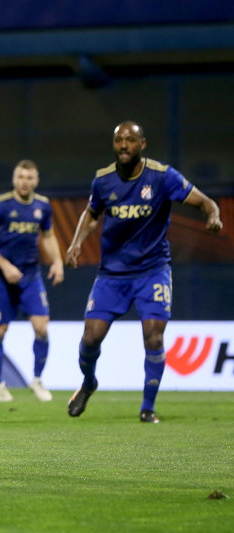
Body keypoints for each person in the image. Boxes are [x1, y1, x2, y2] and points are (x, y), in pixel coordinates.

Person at [65, 120, 222, 423]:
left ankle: (147, 407)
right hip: (112, 274)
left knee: (153, 336)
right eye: (118, 140)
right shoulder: (103, 180)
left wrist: (213, 215)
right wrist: (75, 243)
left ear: (142, 144)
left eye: (130, 140)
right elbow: (92, 214)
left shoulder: (163, 177)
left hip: (153, 270)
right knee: (90, 339)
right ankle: (88, 382)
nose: (124, 145)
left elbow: (204, 202)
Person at [0, 160, 64, 402]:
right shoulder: (0, 204)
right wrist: (5, 266)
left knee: (42, 327)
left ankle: (37, 380)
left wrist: (57, 261)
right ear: (14, 179)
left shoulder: (42, 206)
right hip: (2, 277)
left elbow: (48, 235)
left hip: (31, 276)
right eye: (21, 177)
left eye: (29, 178)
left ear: (36, 181)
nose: (25, 182)